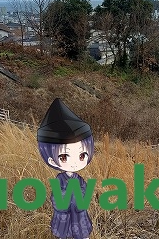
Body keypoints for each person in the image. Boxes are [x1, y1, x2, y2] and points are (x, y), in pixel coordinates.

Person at [37, 98, 94, 239]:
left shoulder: (79, 180)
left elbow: (86, 196)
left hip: (80, 221)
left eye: (82, 155)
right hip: (65, 222)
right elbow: (57, 201)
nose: (75, 162)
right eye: (64, 157)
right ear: (51, 159)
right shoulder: (59, 180)